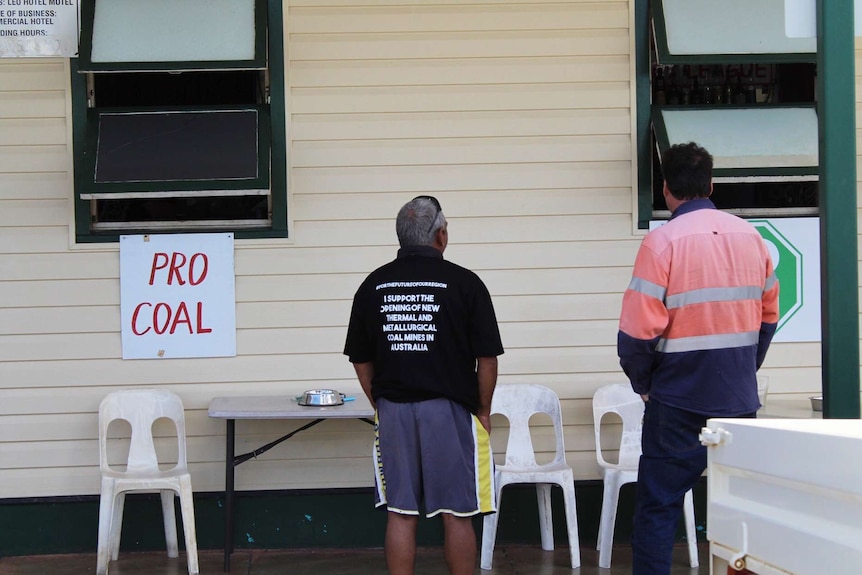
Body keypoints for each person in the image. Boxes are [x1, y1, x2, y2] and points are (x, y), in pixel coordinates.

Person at [617, 142, 779, 575]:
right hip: (738, 402)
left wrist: (646, 385)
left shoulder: (662, 242)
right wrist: (745, 370)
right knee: (742, 513)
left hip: (676, 403)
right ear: (711, 184)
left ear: (666, 189)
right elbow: (767, 320)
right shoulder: (753, 239)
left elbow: (635, 336)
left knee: (658, 509)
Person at [344, 195, 504, 575]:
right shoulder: (466, 284)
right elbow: (487, 360)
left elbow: (360, 358)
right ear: (441, 235)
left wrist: (379, 402)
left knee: (400, 512)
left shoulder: (373, 285)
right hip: (450, 412)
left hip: (394, 410)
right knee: (458, 513)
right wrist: (482, 410)